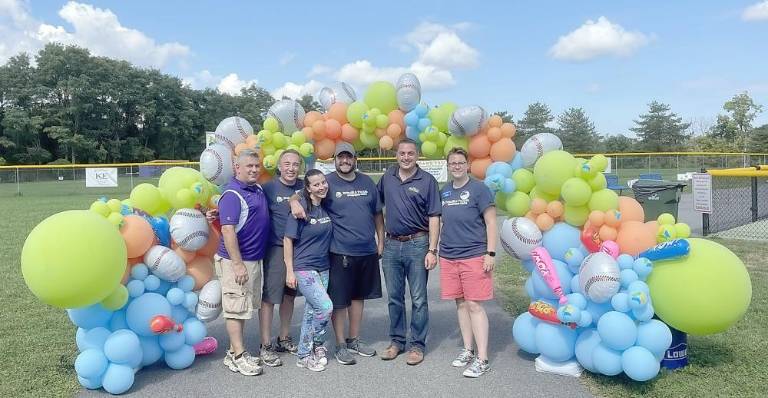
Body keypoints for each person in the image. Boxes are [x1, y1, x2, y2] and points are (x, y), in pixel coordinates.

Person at [289, 142, 384, 365]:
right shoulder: (327, 181)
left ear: (355, 159)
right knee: (339, 302)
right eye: (340, 157)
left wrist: (381, 240)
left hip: (366, 251)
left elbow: (378, 214)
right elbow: (300, 194)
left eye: (348, 157)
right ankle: (340, 344)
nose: (345, 161)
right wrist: (294, 203)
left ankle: (354, 339)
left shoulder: (367, 181)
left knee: (359, 298)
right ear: (335, 159)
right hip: (340, 251)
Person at [377, 138, 441, 365]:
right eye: (402, 153)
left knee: (418, 299)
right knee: (394, 298)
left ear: (417, 155)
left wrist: (432, 250)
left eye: (410, 153)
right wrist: (380, 241)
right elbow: (375, 206)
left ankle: (417, 345)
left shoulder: (428, 181)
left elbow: (435, 217)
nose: (406, 157)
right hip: (392, 245)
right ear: (396, 155)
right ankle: (396, 341)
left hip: (418, 243)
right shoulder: (387, 178)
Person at [439, 147, 497, 378]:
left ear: (468, 165)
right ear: (448, 166)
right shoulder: (444, 191)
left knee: (474, 305)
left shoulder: (479, 189)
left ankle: (482, 359)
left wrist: (490, 253)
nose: (456, 166)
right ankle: (468, 350)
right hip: (449, 256)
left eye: (460, 162)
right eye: (452, 163)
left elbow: (491, 223)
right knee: (460, 304)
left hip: (474, 255)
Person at [216, 149, 270, 376]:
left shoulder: (256, 188)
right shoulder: (232, 194)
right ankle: (239, 356)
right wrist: (237, 264)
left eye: (257, 166)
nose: (254, 170)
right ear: (237, 168)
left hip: (253, 260)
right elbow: (227, 230)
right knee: (235, 308)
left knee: (243, 308)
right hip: (236, 262)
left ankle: (232, 352)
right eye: (249, 166)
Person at [284, 169, 334, 372]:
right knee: (325, 308)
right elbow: (288, 240)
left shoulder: (326, 206)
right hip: (304, 267)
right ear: (308, 188)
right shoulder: (300, 208)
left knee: (312, 311)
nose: (322, 187)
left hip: (323, 266)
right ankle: (311, 346)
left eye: (323, 182)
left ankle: (308, 351)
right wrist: (289, 270)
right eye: (316, 184)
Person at [258, 149, 304, 366]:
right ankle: (265, 344)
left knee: (289, 295)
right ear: (279, 165)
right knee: (269, 298)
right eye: (287, 164)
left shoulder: (304, 187)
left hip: (299, 249)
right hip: (276, 249)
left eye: (295, 164)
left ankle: (283, 338)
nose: (291, 168)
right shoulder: (268, 188)